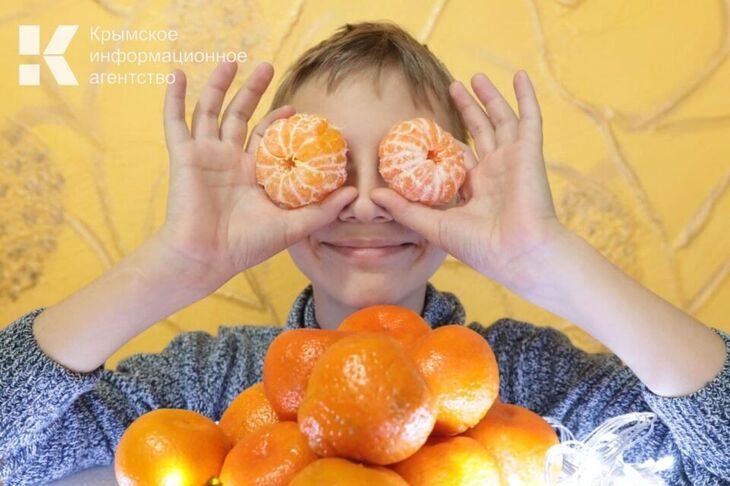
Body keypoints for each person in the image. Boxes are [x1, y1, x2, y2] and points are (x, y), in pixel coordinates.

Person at [1, 21, 728, 485]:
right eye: (331, 164)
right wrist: (171, 267)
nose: (369, 201)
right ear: (273, 182)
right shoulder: (209, 380)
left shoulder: (529, 380)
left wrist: (552, 259)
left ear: (460, 185)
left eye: (405, 164)